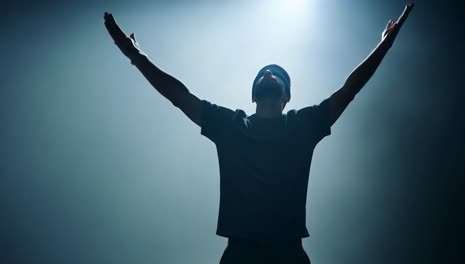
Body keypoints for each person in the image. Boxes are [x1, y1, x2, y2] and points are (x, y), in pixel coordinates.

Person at [103, 3, 414, 263]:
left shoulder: (303, 126)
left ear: (286, 96)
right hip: (240, 253)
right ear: (254, 94)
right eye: (264, 73)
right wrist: (133, 54)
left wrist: (385, 43)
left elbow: (351, 88)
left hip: (289, 252)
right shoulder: (230, 125)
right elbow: (177, 94)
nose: (269, 73)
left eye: (277, 75)